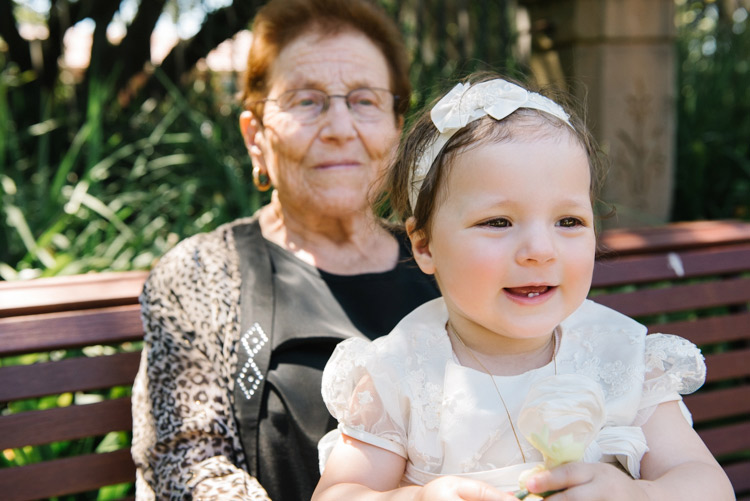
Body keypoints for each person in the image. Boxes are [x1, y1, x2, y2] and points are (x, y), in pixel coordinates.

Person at [312, 74, 735, 500]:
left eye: (568, 221)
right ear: (424, 245)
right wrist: (417, 498)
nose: (539, 250)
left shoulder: (621, 358)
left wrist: (637, 495)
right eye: (498, 222)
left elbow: (706, 484)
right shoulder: (400, 372)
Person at [130, 0, 440, 499]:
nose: (340, 128)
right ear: (256, 138)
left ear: (396, 127)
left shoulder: (449, 260)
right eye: (306, 101)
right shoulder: (201, 274)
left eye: (364, 100)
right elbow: (187, 468)